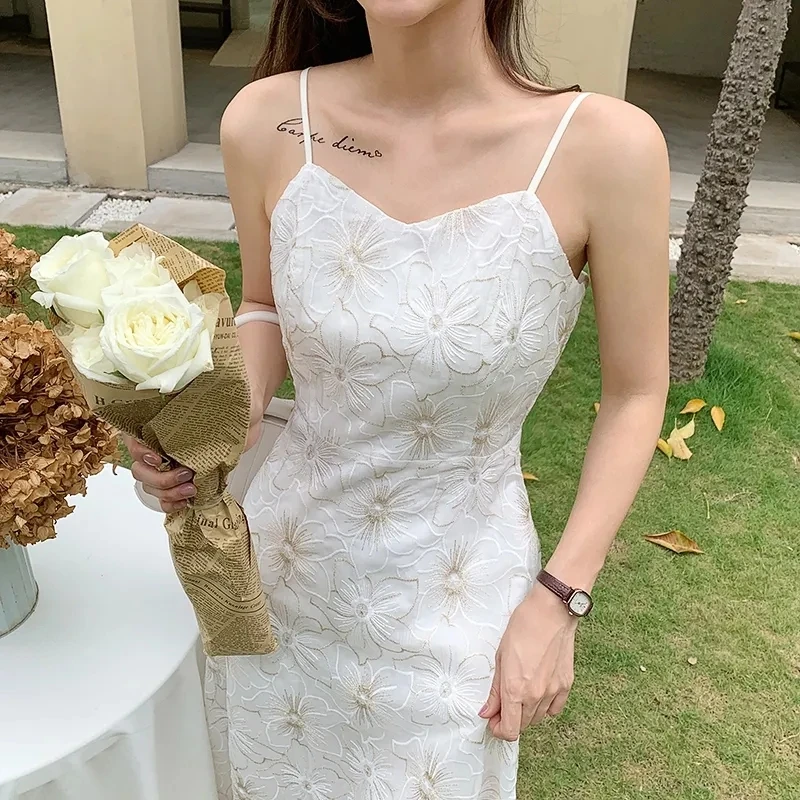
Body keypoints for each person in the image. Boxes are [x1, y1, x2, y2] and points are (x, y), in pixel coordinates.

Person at [128, 0, 670, 796]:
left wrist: (560, 598)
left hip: (459, 596)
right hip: (277, 584)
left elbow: (636, 391)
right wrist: (215, 418)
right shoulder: (266, 121)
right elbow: (264, 303)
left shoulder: (605, 147)